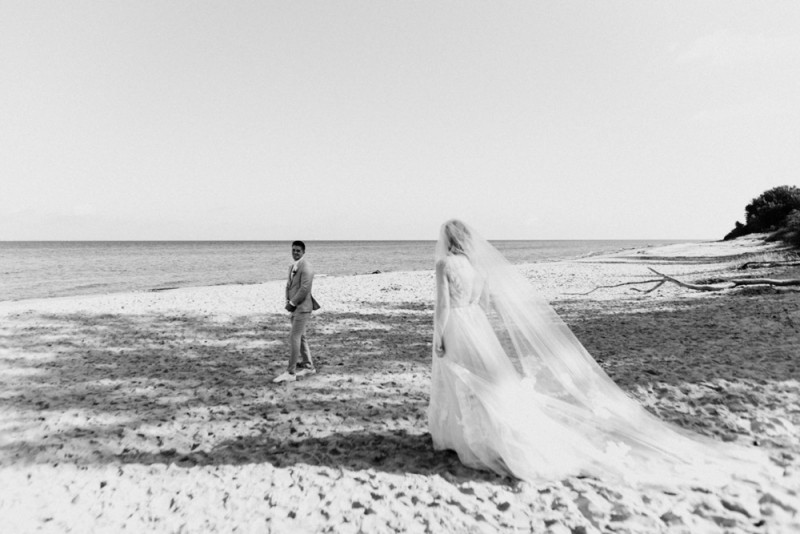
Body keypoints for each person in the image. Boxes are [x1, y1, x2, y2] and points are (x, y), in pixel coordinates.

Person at [429, 219, 776, 486]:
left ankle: (469, 441)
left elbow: (443, 308)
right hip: (479, 326)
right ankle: (485, 439)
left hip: (460, 326)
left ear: (448, 240)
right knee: (490, 383)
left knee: (465, 381)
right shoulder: (479, 268)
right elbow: (487, 303)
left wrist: (440, 336)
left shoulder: (445, 266)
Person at [273, 240, 320, 384]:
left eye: (298, 250)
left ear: (303, 252)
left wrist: (292, 303)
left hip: (303, 308)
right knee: (302, 337)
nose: (295, 253)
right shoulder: (292, 266)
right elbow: (289, 285)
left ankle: (291, 372)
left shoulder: (307, 267)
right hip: (294, 307)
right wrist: (288, 300)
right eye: (293, 250)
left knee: (294, 337)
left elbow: (304, 288)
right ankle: (308, 366)